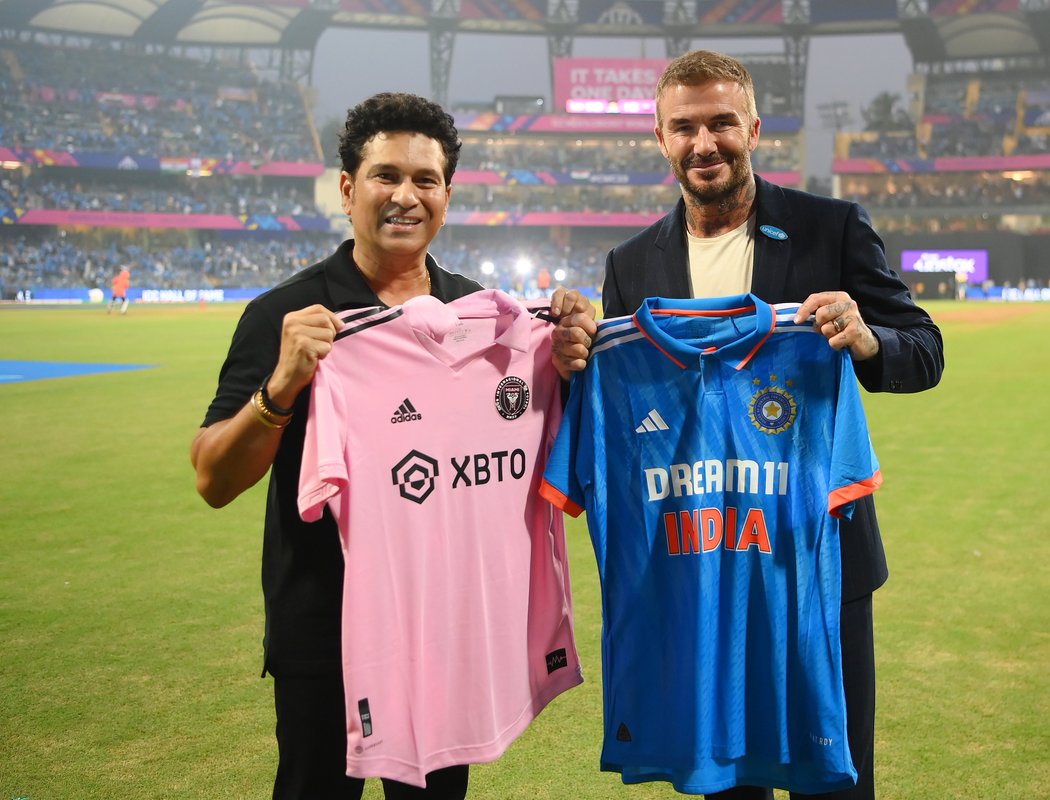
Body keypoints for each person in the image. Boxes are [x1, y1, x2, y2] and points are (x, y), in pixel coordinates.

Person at [190, 91, 595, 800]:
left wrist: (566, 358)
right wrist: (282, 387)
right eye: (386, 176)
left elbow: (570, 466)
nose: (405, 195)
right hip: (324, 638)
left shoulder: (488, 317)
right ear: (348, 189)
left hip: (447, 627)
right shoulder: (286, 315)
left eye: (425, 180)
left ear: (446, 195)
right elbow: (213, 479)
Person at [600, 51, 944, 799]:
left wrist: (867, 339)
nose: (705, 143)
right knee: (729, 782)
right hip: (705, 566)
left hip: (819, 560)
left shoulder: (832, 229)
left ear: (753, 128)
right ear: (660, 139)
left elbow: (925, 351)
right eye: (685, 127)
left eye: (722, 122)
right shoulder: (630, 266)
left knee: (837, 783)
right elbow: (625, 415)